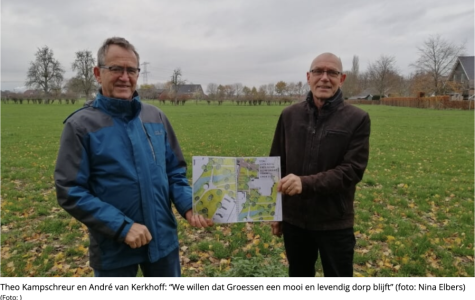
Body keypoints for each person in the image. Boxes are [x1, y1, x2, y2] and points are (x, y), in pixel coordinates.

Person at [54, 37, 212, 277]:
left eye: (131, 70)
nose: (124, 77)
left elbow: (175, 173)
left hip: (163, 242)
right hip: (113, 248)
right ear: (98, 73)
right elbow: (70, 189)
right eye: (116, 69)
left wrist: (188, 204)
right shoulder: (80, 126)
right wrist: (122, 227)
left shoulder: (155, 117)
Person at [269, 52, 370, 277]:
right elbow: (275, 164)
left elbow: (351, 171)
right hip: (295, 221)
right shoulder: (289, 115)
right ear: (308, 76)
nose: (324, 78)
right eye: (318, 71)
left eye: (332, 72)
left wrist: (305, 183)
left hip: (334, 222)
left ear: (341, 79)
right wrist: (274, 211)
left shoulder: (357, 119)